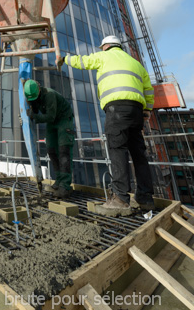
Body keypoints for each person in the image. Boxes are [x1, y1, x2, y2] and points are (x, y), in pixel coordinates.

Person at [58, 35, 155, 216]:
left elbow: (83, 61)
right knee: (138, 153)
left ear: (107, 46)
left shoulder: (103, 56)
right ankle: (145, 197)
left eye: (102, 47)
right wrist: (147, 110)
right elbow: (148, 89)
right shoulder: (136, 63)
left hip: (116, 108)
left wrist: (65, 59)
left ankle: (120, 198)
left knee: (117, 151)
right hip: (136, 110)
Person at [24, 80, 75, 199]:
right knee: (51, 149)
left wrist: (34, 116)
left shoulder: (49, 95)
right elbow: (36, 111)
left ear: (39, 90)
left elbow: (50, 117)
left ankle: (65, 185)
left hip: (63, 119)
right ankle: (58, 180)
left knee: (63, 151)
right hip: (52, 121)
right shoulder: (32, 98)